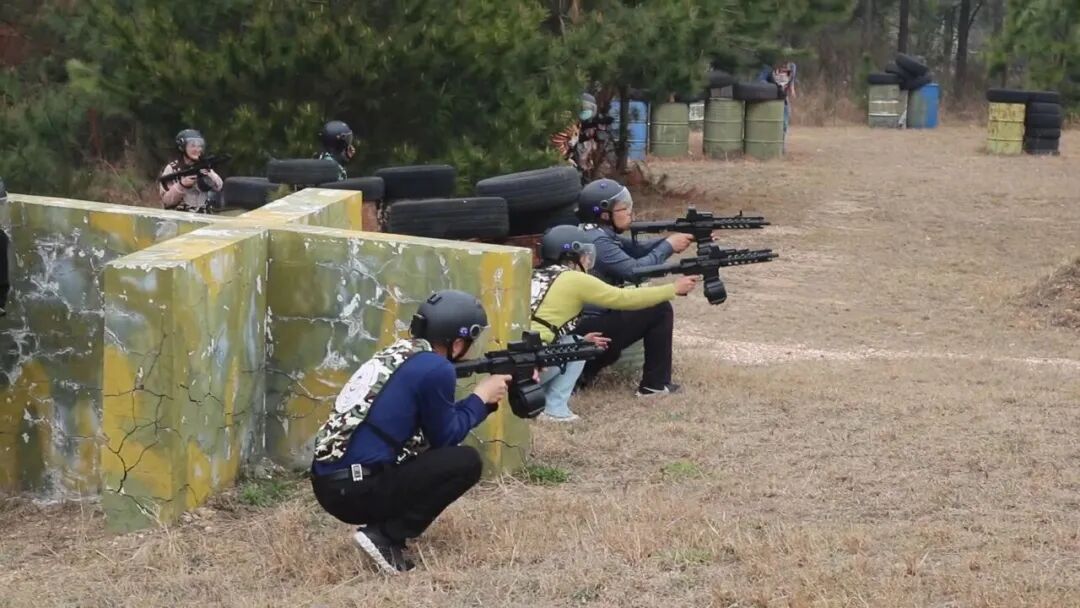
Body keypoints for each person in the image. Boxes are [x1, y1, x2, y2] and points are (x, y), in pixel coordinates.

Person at [309, 290, 512, 574]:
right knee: (465, 461)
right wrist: (481, 398)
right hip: (356, 490)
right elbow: (446, 437)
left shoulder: (400, 354)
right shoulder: (437, 368)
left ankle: (382, 530)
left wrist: (482, 403)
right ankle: (384, 536)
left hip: (331, 483)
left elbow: (434, 426)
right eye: (469, 341)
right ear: (456, 341)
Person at [531, 225, 698, 421]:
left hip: (521, 366)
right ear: (571, 255)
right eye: (584, 254)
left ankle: (543, 401)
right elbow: (622, 298)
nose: (587, 259)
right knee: (578, 349)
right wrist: (672, 289)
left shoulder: (535, 275)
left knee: (578, 342)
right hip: (534, 369)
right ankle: (554, 409)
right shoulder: (572, 279)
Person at [574, 178, 698, 396]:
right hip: (588, 328)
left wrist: (683, 238)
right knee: (658, 308)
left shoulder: (592, 233)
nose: (629, 212)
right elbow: (635, 270)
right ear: (604, 214)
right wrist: (668, 246)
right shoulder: (597, 241)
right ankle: (654, 385)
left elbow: (636, 249)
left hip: (586, 327)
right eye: (623, 208)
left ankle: (584, 373)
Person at [159, 129, 223, 212]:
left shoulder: (203, 165)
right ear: (182, 147)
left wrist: (210, 175)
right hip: (179, 216)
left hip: (203, 215)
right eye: (193, 146)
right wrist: (181, 185)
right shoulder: (172, 168)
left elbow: (219, 186)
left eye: (200, 146)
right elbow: (167, 202)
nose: (197, 149)